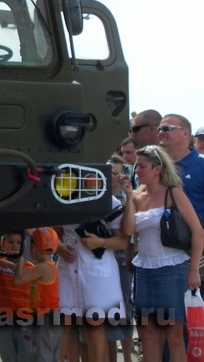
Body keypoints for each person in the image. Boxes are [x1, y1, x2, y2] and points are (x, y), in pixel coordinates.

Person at [127, 145, 204, 362]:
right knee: (149, 334)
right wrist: (126, 197)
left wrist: (193, 270)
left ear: (157, 168)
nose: (137, 171)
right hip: (144, 269)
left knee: (173, 335)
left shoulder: (173, 192)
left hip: (171, 269)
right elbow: (128, 233)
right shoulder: (136, 197)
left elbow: (198, 232)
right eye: (136, 166)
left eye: (142, 166)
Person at [57, 191, 133, 362]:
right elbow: (55, 232)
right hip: (68, 266)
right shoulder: (62, 195)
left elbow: (122, 241)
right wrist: (58, 246)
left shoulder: (108, 201)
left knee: (94, 326)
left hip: (97, 269)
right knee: (62, 324)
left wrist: (101, 242)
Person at [13, 227, 61, 362]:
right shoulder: (47, 266)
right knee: (51, 353)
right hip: (52, 316)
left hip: (45, 317)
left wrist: (20, 259)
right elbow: (28, 274)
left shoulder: (42, 268)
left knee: (42, 354)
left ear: (35, 247)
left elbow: (18, 280)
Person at [0, 231, 34, 362]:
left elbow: (24, 274)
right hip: (4, 317)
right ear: (3, 245)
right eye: (10, 242)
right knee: (7, 355)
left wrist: (11, 265)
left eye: (18, 243)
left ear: (24, 246)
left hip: (24, 319)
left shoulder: (29, 266)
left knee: (25, 355)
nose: (15, 246)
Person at [108, 154, 135, 362]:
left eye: (115, 173)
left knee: (125, 309)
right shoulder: (98, 195)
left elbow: (130, 233)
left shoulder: (127, 198)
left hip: (123, 261)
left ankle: (127, 357)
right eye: (108, 171)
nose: (111, 176)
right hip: (103, 262)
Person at [158, 114, 204, 222]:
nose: (160, 132)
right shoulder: (154, 166)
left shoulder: (201, 165)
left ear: (185, 133)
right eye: (159, 129)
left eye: (167, 128)